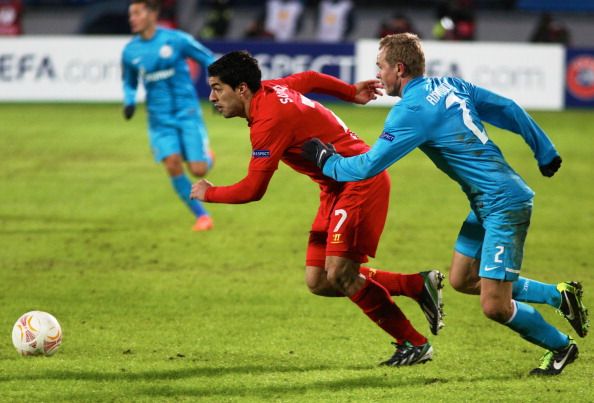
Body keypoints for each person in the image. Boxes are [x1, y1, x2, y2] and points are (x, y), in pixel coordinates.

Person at [301, 33, 589, 376]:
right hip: (487, 201)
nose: (377, 73)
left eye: (380, 67)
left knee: (495, 306)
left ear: (399, 68)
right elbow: (507, 108)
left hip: (503, 205)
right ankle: (560, 295)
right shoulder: (448, 84)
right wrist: (545, 151)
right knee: (462, 279)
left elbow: (367, 167)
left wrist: (327, 162)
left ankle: (560, 346)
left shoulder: (411, 111)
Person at [190, 50, 445, 366]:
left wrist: (210, 192)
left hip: (359, 182)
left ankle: (414, 344)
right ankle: (416, 285)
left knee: (339, 273)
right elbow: (309, 78)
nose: (212, 96)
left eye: (217, 88)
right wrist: (350, 92)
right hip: (335, 188)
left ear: (242, 88)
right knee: (320, 280)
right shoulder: (272, 88)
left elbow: (253, 190)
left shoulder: (269, 121)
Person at [121, 0, 215, 231]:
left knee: (199, 170)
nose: (131, 18)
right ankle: (202, 217)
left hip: (187, 113)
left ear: (152, 14)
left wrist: (219, 88)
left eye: (136, 13)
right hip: (159, 119)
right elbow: (129, 82)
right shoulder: (130, 51)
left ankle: (207, 155)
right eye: (130, 14)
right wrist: (130, 101)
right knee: (172, 164)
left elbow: (209, 59)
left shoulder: (176, 40)